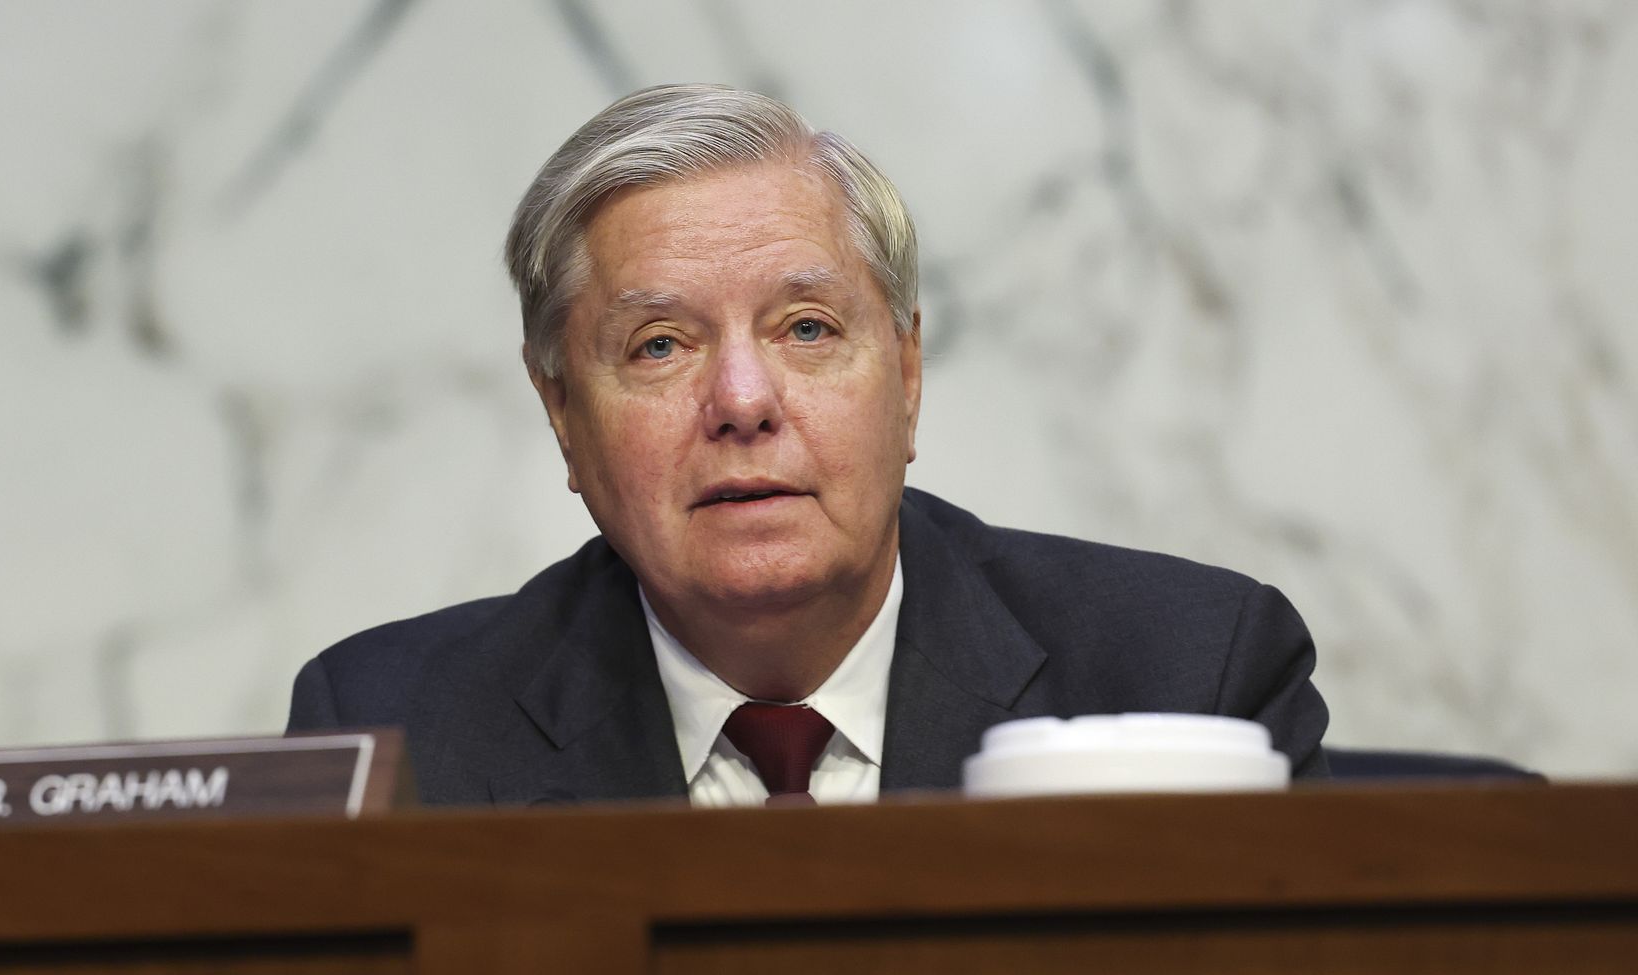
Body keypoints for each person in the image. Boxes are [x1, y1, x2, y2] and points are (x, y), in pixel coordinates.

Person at [287, 84, 1329, 805]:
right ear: (562, 415)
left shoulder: (1189, 673)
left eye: (807, 329)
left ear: (909, 375)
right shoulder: (397, 738)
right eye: (659, 345)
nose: (742, 400)